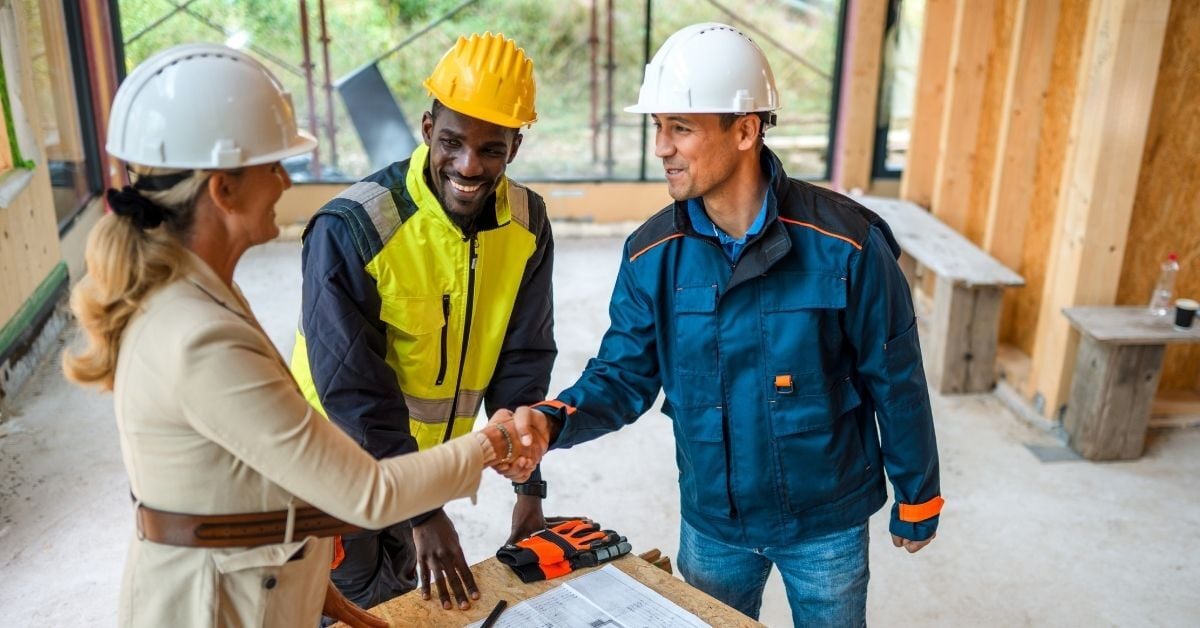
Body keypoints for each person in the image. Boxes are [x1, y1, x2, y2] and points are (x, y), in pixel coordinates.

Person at [62, 43, 542, 628]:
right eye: (274, 165)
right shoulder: (197, 333)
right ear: (223, 189)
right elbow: (369, 493)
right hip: (210, 605)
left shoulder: (205, 295)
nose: (288, 182)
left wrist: (316, 589)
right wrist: (495, 443)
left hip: (261, 579)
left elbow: (241, 484)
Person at [503, 23, 943, 626]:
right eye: (657, 127)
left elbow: (895, 377)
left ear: (745, 130)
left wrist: (918, 493)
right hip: (714, 524)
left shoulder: (847, 243)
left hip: (826, 523)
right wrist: (553, 422)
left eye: (680, 128)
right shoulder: (650, 256)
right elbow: (622, 378)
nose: (661, 147)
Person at [288, 32, 556, 613]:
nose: (468, 165)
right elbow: (353, 391)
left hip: (422, 474)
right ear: (427, 126)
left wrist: (528, 485)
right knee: (342, 608)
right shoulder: (353, 228)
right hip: (333, 477)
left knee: (407, 606)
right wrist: (425, 514)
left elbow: (524, 355)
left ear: (516, 144)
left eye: (492, 149)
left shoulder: (528, 222)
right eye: (453, 141)